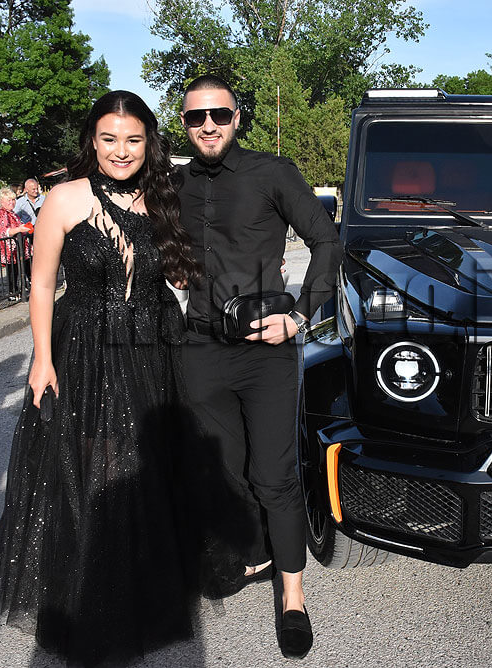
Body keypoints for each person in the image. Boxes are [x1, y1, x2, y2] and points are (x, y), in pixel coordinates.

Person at [0, 90, 249, 667]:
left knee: (146, 468)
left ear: (148, 142)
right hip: (84, 350)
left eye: (133, 140)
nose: (121, 150)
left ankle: (142, 587)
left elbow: (191, 268)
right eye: (109, 139)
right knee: (94, 471)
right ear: (93, 140)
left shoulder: (163, 197)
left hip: (154, 346)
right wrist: (41, 358)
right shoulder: (65, 198)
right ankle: (95, 601)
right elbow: (41, 284)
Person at [177, 74, 342, 659]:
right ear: (184, 123)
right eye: (196, 117)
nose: (208, 126)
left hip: (266, 351)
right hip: (200, 348)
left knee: (274, 474)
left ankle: (293, 598)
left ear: (237, 117)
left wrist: (300, 315)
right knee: (224, 467)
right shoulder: (174, 184)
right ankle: (253, 553)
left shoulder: (272, 172)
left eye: (219, 115)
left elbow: (327, 241)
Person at [0, 187, 32, 298]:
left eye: (13, 200)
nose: (12, 202)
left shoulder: (11, 213)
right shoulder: (3, 213)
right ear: (2, 201)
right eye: (9, 200)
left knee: (18, 269)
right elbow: (3, 231)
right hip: (9, 248)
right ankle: (13, 292)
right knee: (12, 271)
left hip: (16, 247)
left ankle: (19, 289)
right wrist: (19, 229)